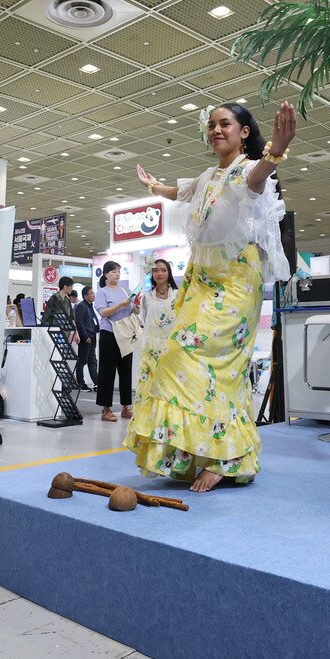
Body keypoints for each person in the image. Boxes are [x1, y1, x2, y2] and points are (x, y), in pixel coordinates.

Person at [125, 101, 295, 492]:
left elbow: (260, 175)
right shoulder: (207, 176)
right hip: (201, 279)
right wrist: (153, 186)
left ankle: (228, 456)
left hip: (235, 282)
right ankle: (200, 452)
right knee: (174, 355)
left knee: (216, 366)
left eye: (225, 124)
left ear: (244, 132)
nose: (216, 130)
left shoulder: (247, 170)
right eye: (212, 125)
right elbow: (181, 193)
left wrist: (278, 148)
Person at [93, 262, 136, 422]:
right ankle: (106, 409)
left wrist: (136, 307)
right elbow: (103, 313)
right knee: (107, 372)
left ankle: (126, 407)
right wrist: (120, 305)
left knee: (126, 371)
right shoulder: (102, 292)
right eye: (113, 271)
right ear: (106, 274)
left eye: (118, 271)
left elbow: (132, 311)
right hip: (109, 334)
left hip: (126, 334)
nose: (117, 274)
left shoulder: (126, 291)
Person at [134, 259, 180, 404]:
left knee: (170, 381)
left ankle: (168, 413)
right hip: (150, 345)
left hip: (171, 344)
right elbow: (144, 318)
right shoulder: (147, 296)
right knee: (149, 380)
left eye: (163, 270)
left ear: (169, 273)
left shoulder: (178, 295)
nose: (159, 273)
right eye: (155, 270)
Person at [73, 286, 99, 390]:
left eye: (93, 293)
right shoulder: (81, 306)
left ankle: (97, 383)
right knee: (82, 360)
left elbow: (93, 320)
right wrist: (85, 336)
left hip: (92, 336)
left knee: (92, 360)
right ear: (85, 296)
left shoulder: (90, 306)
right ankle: (80, 383)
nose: (93, 295)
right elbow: (79, 323)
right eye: (91, 293)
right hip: (86, 338)